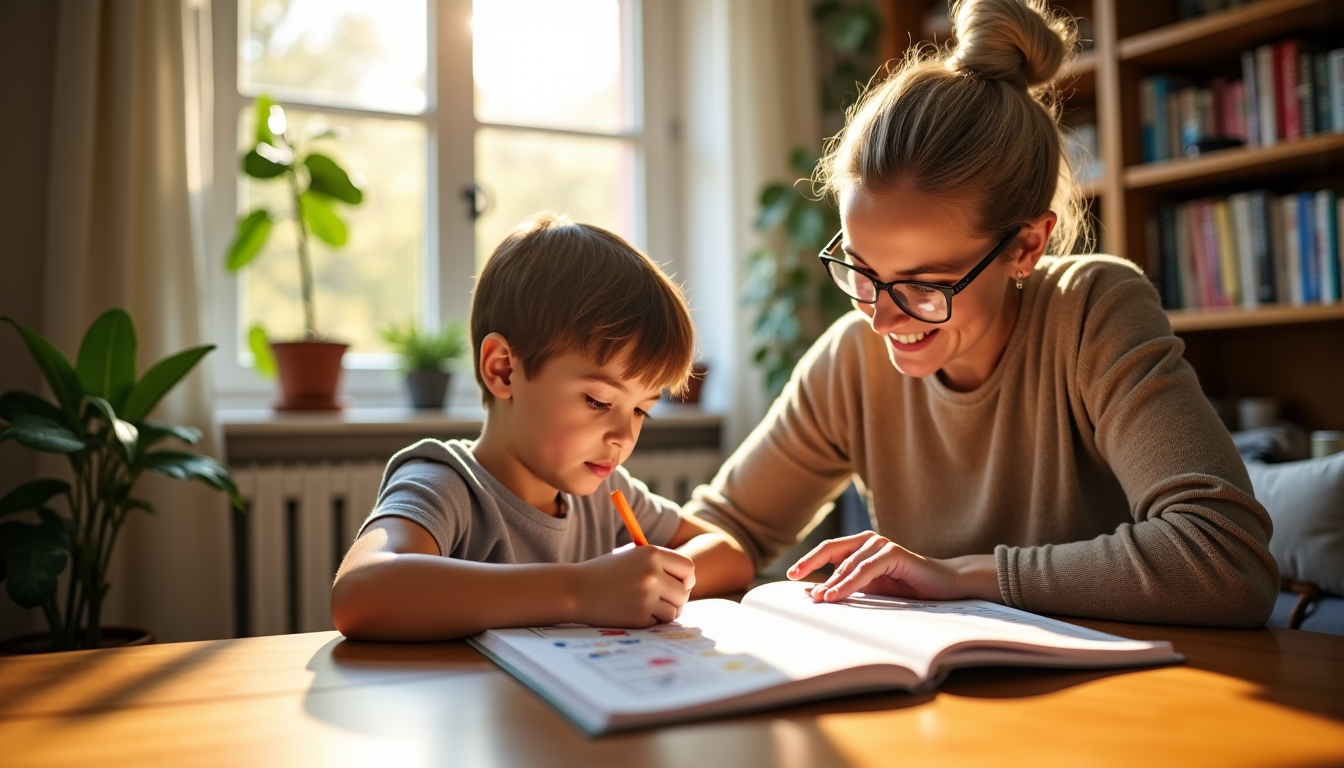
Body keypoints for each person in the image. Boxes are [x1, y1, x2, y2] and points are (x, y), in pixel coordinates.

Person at [687, 0, 1278, 626]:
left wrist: (960, 577)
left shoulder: (1091, 313)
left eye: (925, 285)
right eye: (861, 270)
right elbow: (727, 528)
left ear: (1026, 247)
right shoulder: (852, 360)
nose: (881, 320)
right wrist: (635, 572)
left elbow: (1227, 560)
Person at [331, 214, 754, 641]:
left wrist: (653, 582)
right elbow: (360, 593)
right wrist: (579, 591)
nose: (625, 437)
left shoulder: (607, 495)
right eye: (598, 401)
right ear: (503, 370)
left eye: (642, 411)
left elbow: (730, 555)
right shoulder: (446, 484)